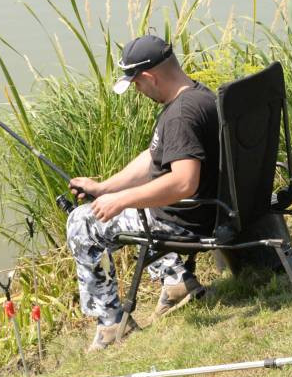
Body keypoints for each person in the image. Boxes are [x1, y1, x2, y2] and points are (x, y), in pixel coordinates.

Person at [66, 35, 219, 350]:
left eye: (136, 83)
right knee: (136, 199)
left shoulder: (179, 116)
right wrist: (104, 187)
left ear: (150, 77)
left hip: (188, 219)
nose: (137, 90)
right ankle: (177, 280)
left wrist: (122, 200)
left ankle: (111, 326)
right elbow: (154, 157)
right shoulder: (199, 95)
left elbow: (182, 183)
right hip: (209, 208)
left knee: (82, 223)